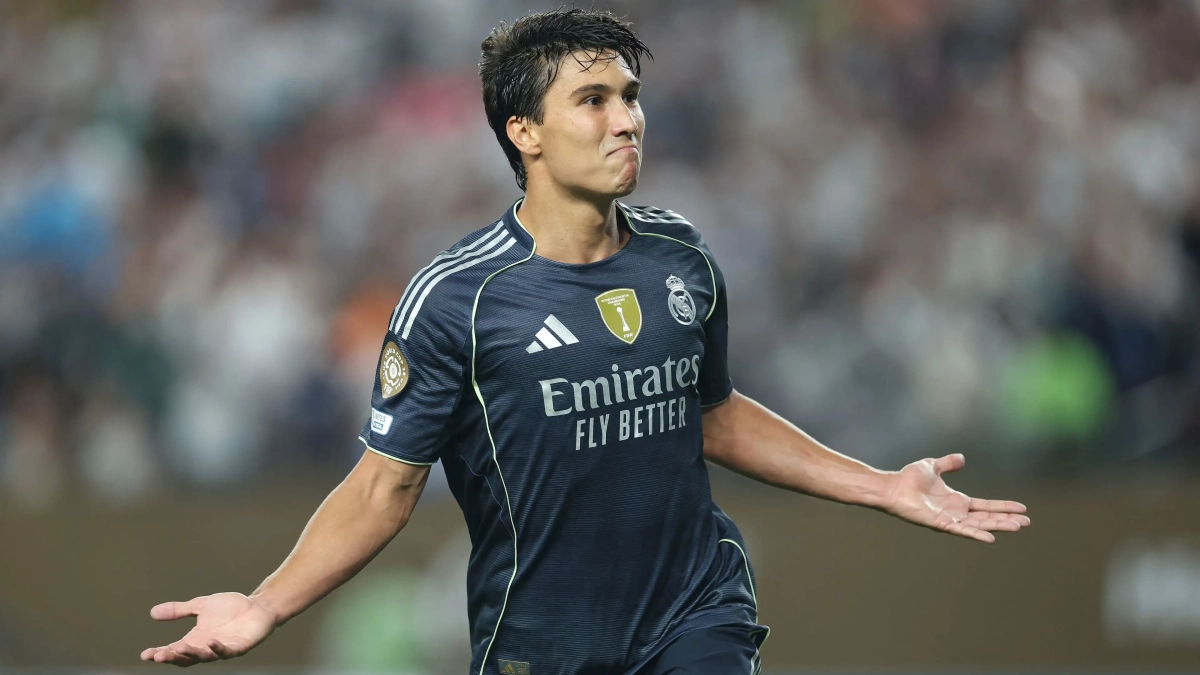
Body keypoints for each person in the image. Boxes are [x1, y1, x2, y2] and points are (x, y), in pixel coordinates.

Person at [140, 8, 1030, 674]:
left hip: (697, 613)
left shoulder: (683, 255)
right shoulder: (457, 299)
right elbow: (383, 488)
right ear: (523, 131)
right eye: (593, 100)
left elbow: (713, 417)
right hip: (541, 640)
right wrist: (264, 604)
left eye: (631, 98)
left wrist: (882, 484)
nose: (627, 120)